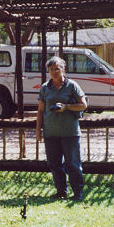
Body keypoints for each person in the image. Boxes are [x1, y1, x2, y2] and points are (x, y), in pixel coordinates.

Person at [36, 56, 88, 201]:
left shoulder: (72, 86)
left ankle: (77, 192)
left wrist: (66, 107)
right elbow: (40, 110)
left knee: (73, 164)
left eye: (57, 69)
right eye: (51, 69)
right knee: (54, 164)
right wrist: (38, 130)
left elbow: (83, 105)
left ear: (63, 69)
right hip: (51, 132)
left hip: (70, 132)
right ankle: (61, 192)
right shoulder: (45, 88)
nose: (54, 72)